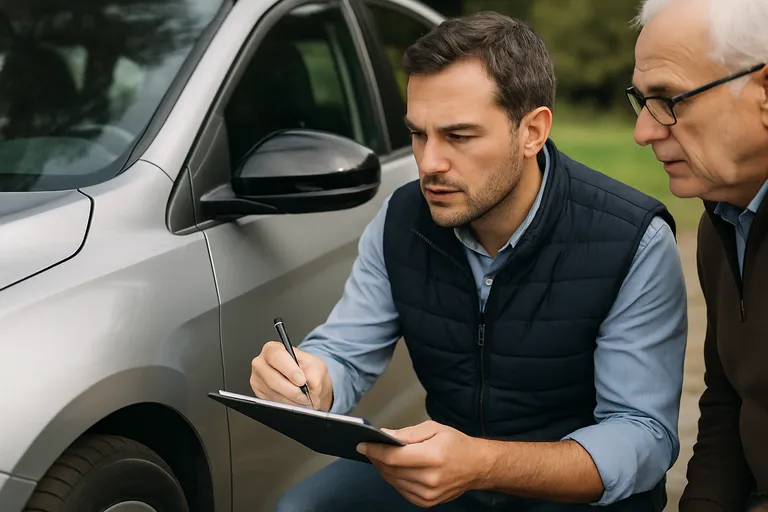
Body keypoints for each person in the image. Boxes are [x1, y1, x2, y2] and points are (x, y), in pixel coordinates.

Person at [251, 11, 688, 511]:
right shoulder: (401, 219)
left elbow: (642, 436)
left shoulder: (631, 238)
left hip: (575, 492)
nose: (429, 163)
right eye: (419, 134)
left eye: (459, 136)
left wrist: (483, 462)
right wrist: (309, 378)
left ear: (532, 131)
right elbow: (345, 352)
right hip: (447, 478)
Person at [629, 0, 768, 511]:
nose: (644, 131)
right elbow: (730, 402)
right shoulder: (725, 218)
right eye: (640, 101)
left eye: (668, 98)